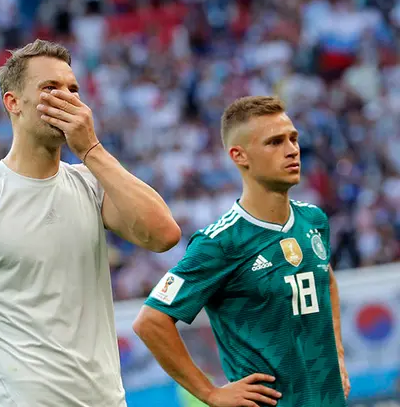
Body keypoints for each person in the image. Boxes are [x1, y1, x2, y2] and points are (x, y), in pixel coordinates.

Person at [0, 39, 181, 406]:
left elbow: (164, 234)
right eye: (50, 89)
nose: (68, 98)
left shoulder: (91, 184)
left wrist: (91, 150)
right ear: (13, 103)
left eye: (73, 89)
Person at [133, 96, 350, 407]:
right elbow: (150, 321)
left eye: (293, 138)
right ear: (239, 156)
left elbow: (324, 280)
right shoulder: (221, 242)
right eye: (275, 142)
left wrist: (338, 354)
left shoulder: (313, 220)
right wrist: (210, 393)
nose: (292, 150)